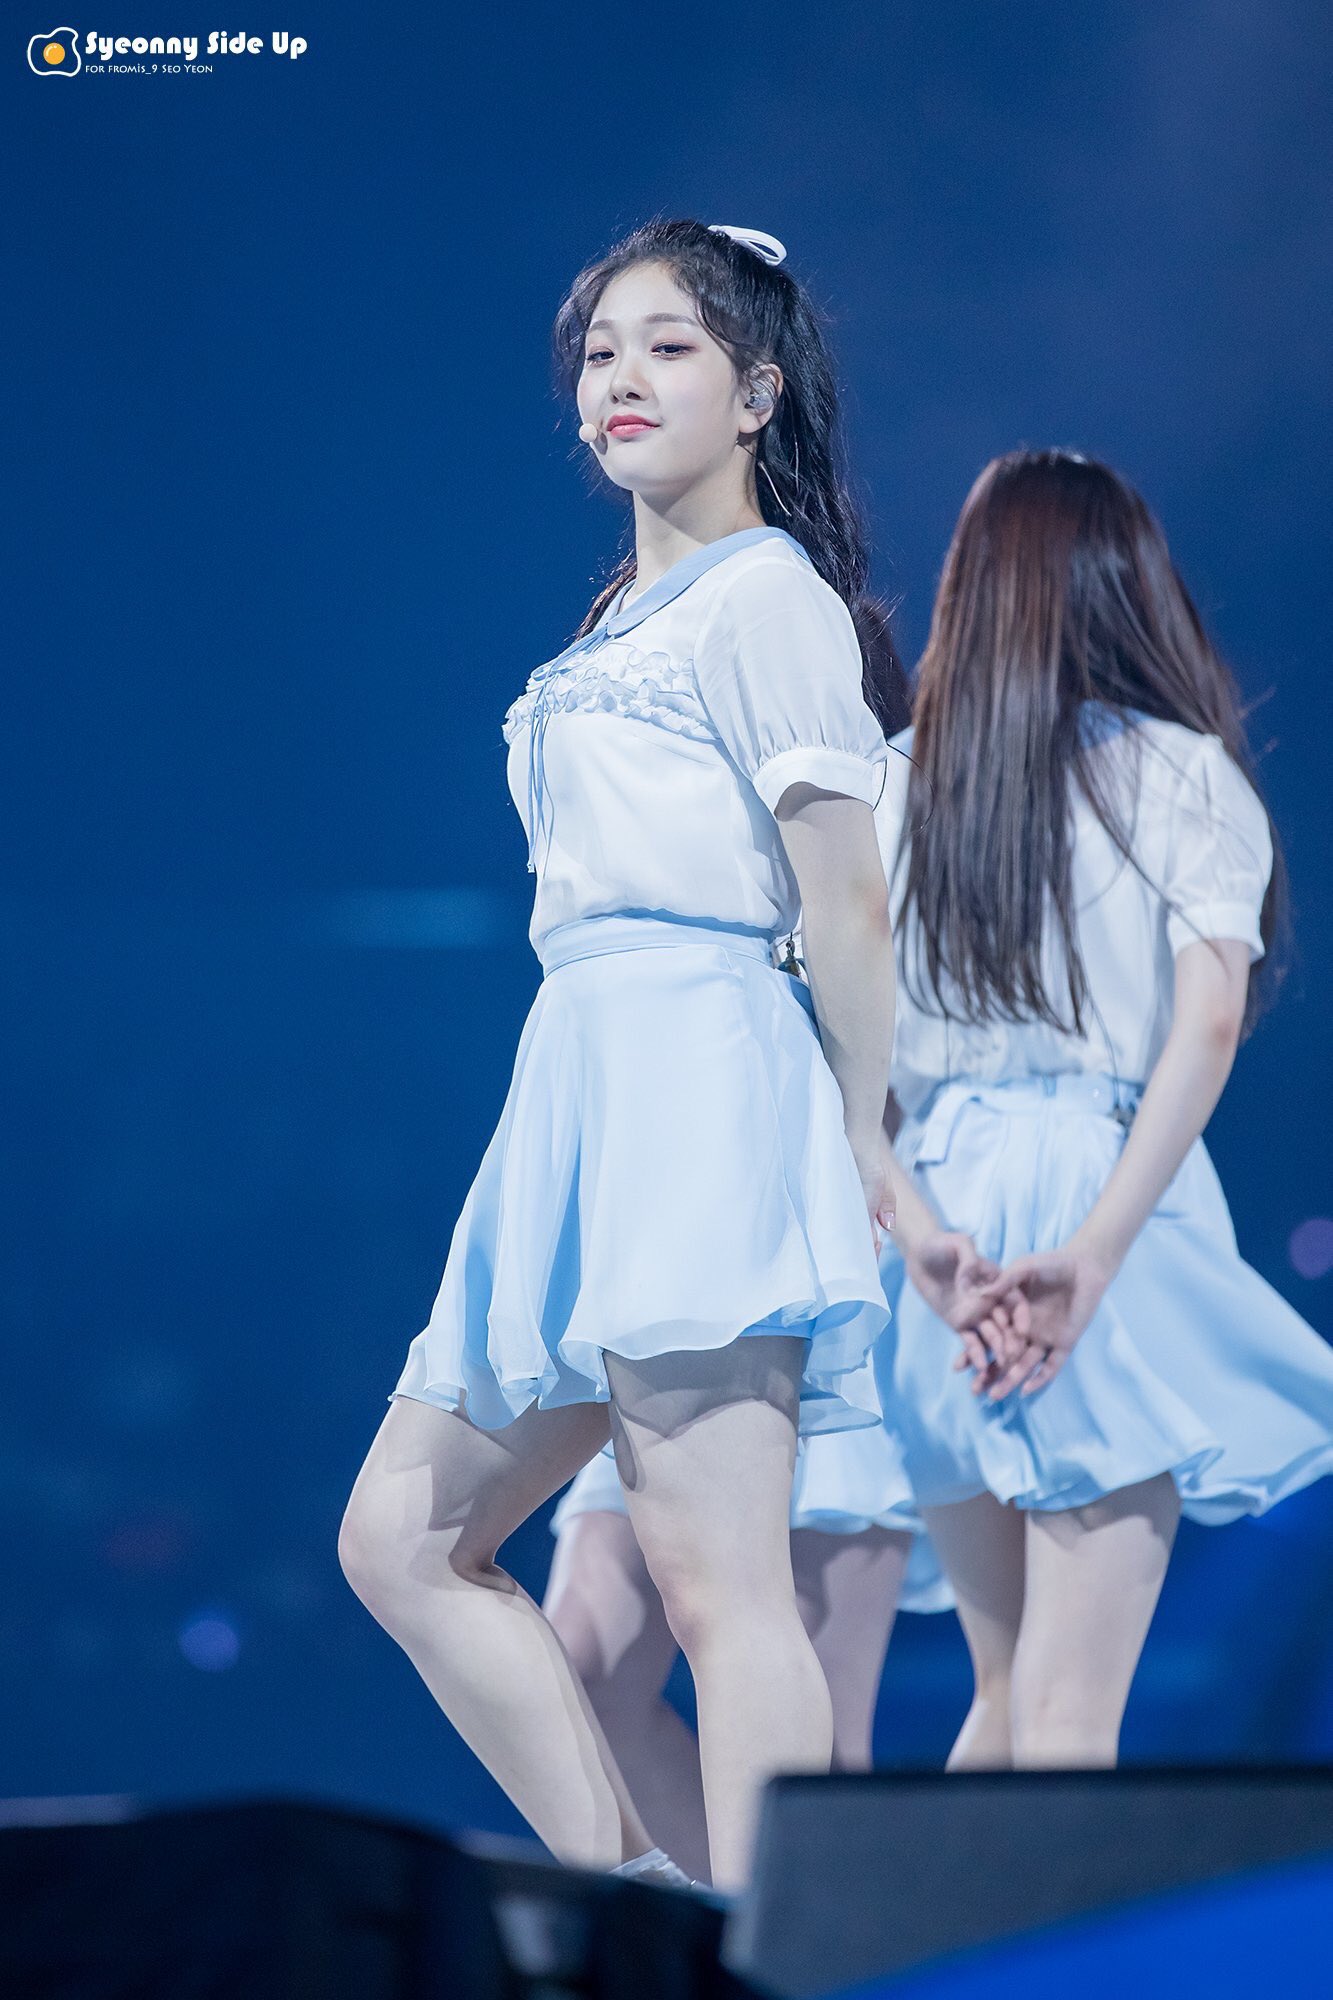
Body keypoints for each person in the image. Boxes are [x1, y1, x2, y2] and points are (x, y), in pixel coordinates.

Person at [338, 218, 902, 1892]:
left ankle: (763, 1955)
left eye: (666, 347)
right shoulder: (621, 615)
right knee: (399, 1539)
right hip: (580, 1079)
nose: (619, 380)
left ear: (757, 393)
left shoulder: (768, 597)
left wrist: (858, 1136)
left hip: (700, 1072)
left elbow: (845, 901)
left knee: (720, 1588)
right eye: (598, 354)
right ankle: (644, 1905)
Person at [873, 448, 1333, 1772]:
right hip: (1095, 1189)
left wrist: (922, 1242)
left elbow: (847, 1074)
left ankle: (926, 1920)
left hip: (939, 1221)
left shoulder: (889, 786)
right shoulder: (1180, 774)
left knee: (1002, 1689)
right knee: (1071, 1708)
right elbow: (1207, 1020)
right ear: (1126, 586)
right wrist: (1093, 1252)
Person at [543, 1419, 953, 1884]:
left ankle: (780, 1920)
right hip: (647, 1390)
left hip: (814, 1403)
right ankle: (728, 1911)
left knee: (813, 1756)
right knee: (586, 1681)